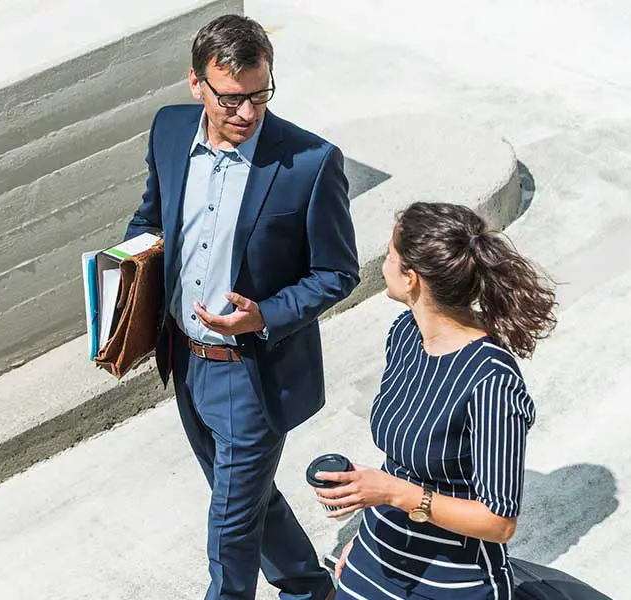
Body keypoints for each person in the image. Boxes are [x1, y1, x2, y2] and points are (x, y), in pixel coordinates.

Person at [124, 14, 360, 600]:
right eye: (231, 99)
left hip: (253, 373)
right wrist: (125, 283)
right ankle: (309, 588)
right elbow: (152, 217)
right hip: (185, 360)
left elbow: (337, 273)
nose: (248, 113)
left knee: (229, 528)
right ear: (196, 84)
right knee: (248, 498)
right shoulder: (169, 131)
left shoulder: (311, 162)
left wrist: (265, 315)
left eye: (260, 95)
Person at [312, 202, 557, 599]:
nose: (383, 265)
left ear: (411, 279)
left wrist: (392, 493)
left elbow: (499, 522)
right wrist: (366, 539)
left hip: (451, 583)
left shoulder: (492, 381)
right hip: (377, 558)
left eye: (390, 256)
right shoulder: (405, 334)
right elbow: (402, 462)